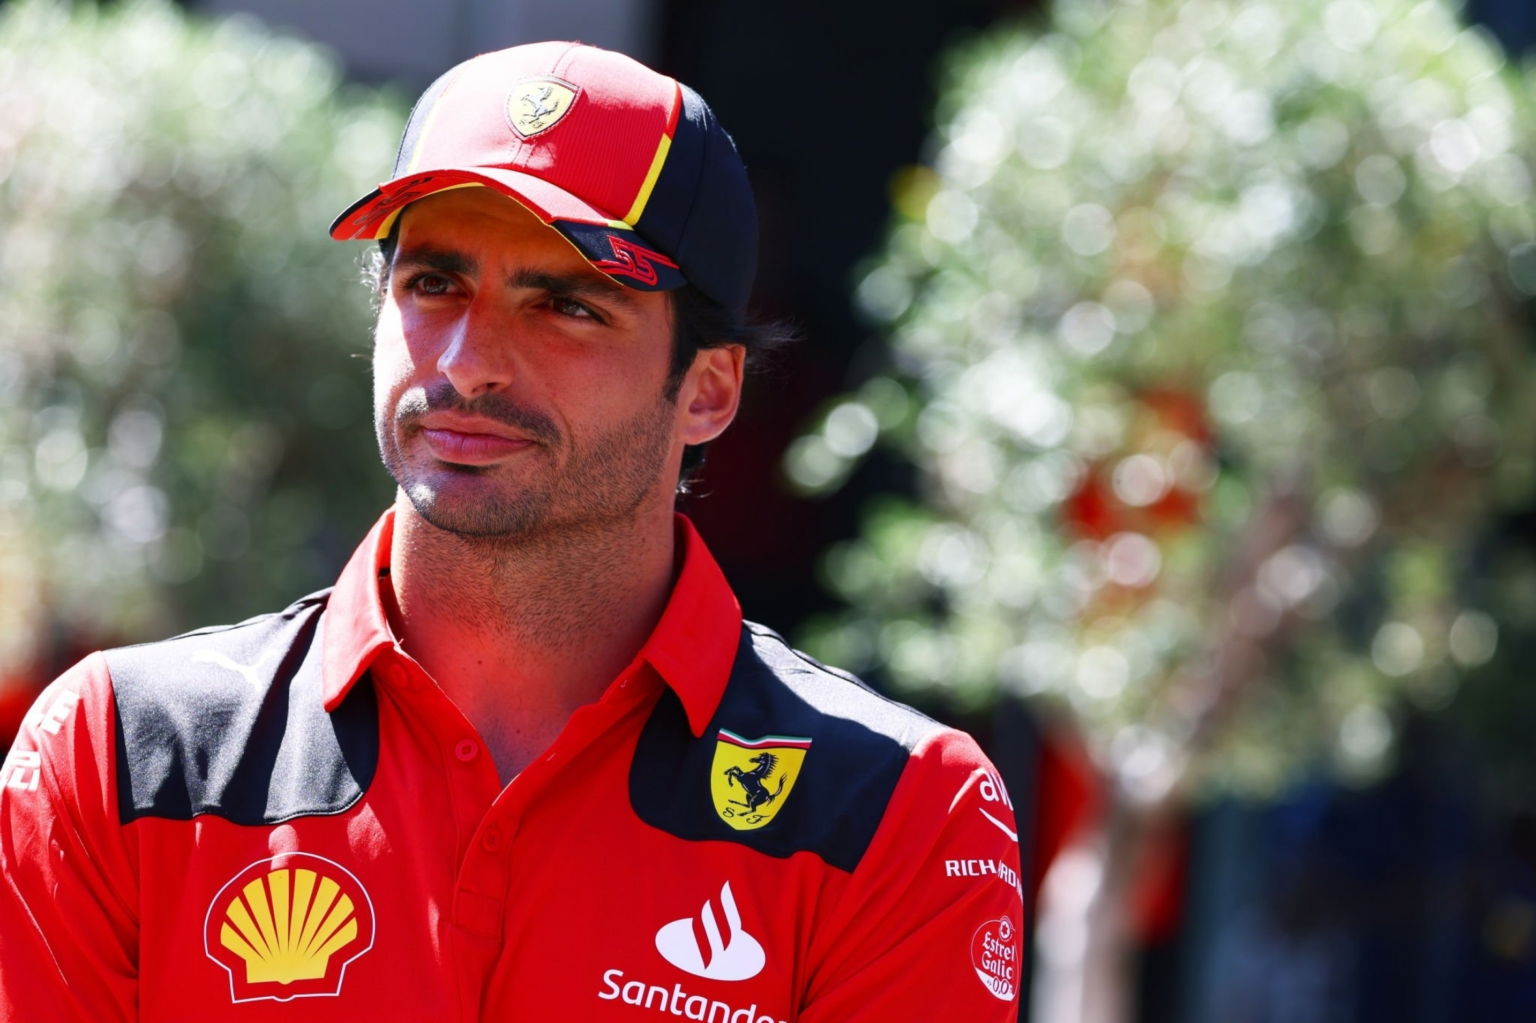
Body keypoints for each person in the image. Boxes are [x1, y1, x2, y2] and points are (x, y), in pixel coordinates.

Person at [0, 42, 1023, 1021]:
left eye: (567, 306)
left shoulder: (901, 816)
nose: (470, 361)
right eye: (433, 283)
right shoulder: (117, 756)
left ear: (709, 392)